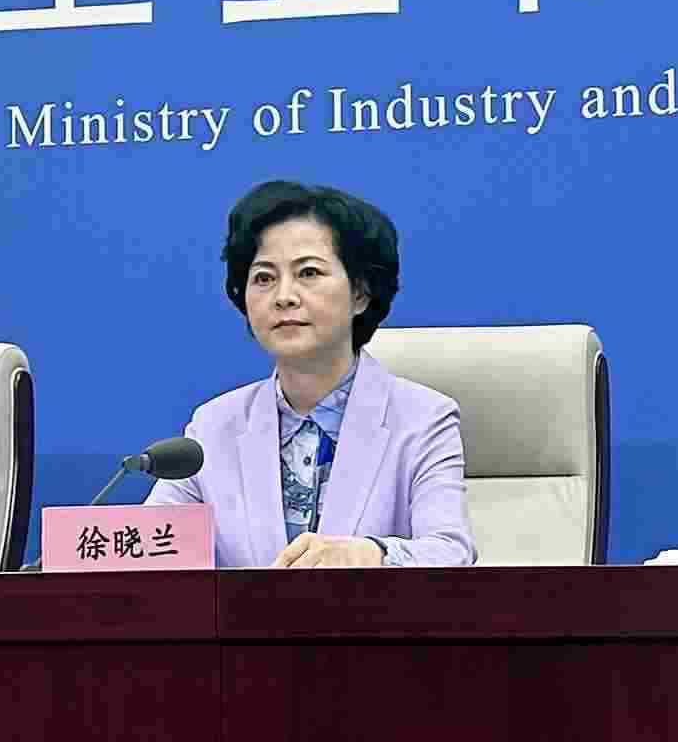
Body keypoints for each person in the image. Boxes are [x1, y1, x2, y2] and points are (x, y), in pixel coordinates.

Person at [149, 180, 475, 567]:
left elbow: (451, 551)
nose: (284, 296)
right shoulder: (213, 426)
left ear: (360, 293)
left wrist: (372, 554)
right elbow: (148, 550)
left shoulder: (423, 419)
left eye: (308, 272)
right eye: (264, 278)